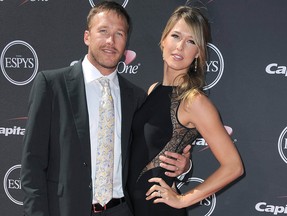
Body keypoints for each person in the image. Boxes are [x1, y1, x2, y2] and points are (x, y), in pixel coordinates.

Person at [20, 1, 191, 216]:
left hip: (121, 210)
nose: (111, 41)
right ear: (87, 37)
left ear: (125, 43)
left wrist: (183, 167)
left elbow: (148, 155)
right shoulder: (52, 85)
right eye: (103, 31)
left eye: (119, 34)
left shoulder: (137, 97)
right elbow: (32, 165)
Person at [127, 5, 244, 216]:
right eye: (175, 36)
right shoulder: (155, 90)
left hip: (160, 211)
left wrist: (183, 200)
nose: (180, 46)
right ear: (163, 41)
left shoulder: (194, 101)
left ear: (198, 53)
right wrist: (185, 167)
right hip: (133, 207)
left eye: (191, 42)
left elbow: (234, 166)